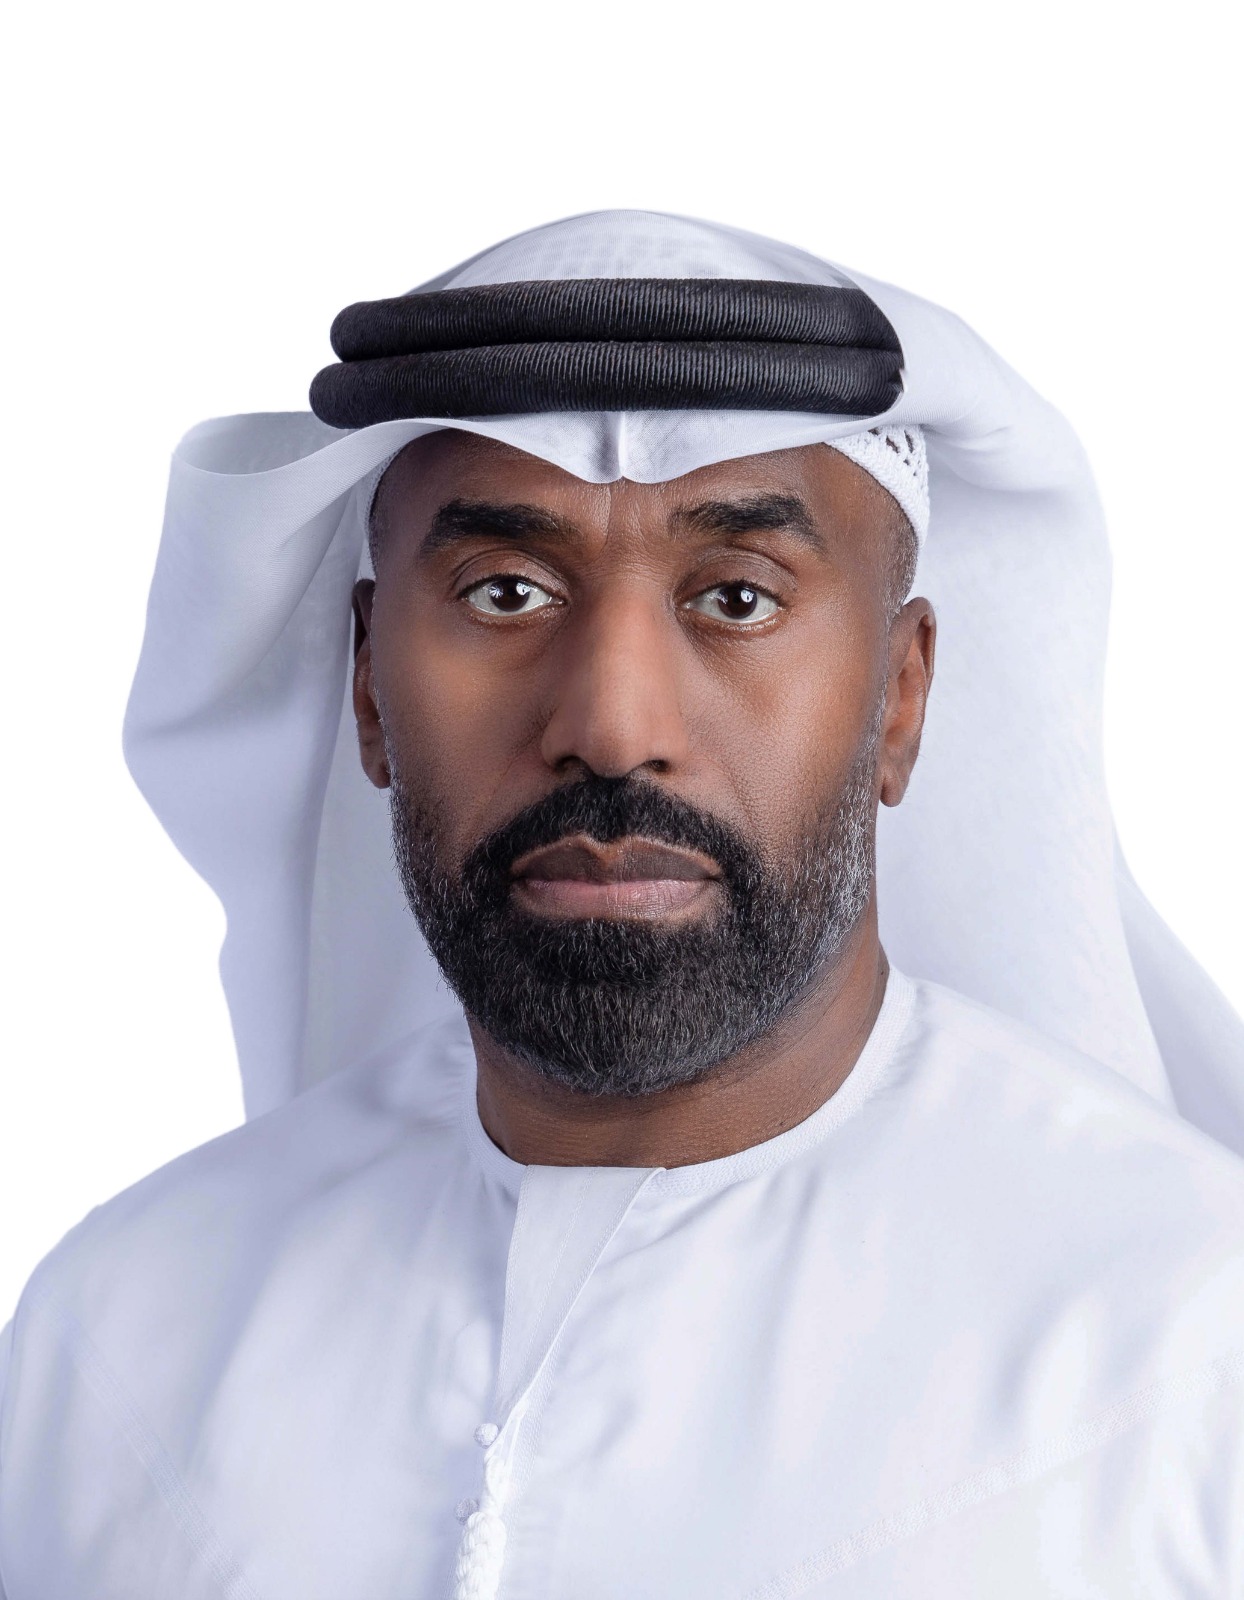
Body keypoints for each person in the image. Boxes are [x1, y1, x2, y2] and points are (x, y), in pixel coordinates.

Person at [1, 211, 1243, 1598]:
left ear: (900, 698)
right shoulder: (121, 1339)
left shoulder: (1192, 1353)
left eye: (737, 599)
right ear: (368, 687)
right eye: (506, 592)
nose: (611, 725)